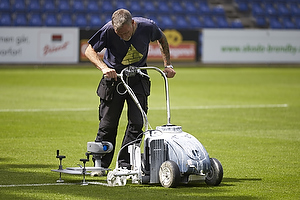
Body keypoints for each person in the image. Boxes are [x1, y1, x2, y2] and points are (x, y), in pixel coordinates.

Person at [85, 9, 176, 171]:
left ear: (133, 23)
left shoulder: (148, 26)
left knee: (137, 123)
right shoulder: (108, 30)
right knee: (107, 125)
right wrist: (104, 68)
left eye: (125, 33)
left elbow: (162, 39)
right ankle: (100, 166)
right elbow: (89, 50)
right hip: (114, 80)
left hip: (138, 79)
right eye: (118, 34)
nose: (122, 37)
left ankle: (125, 165)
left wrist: (167, 65)